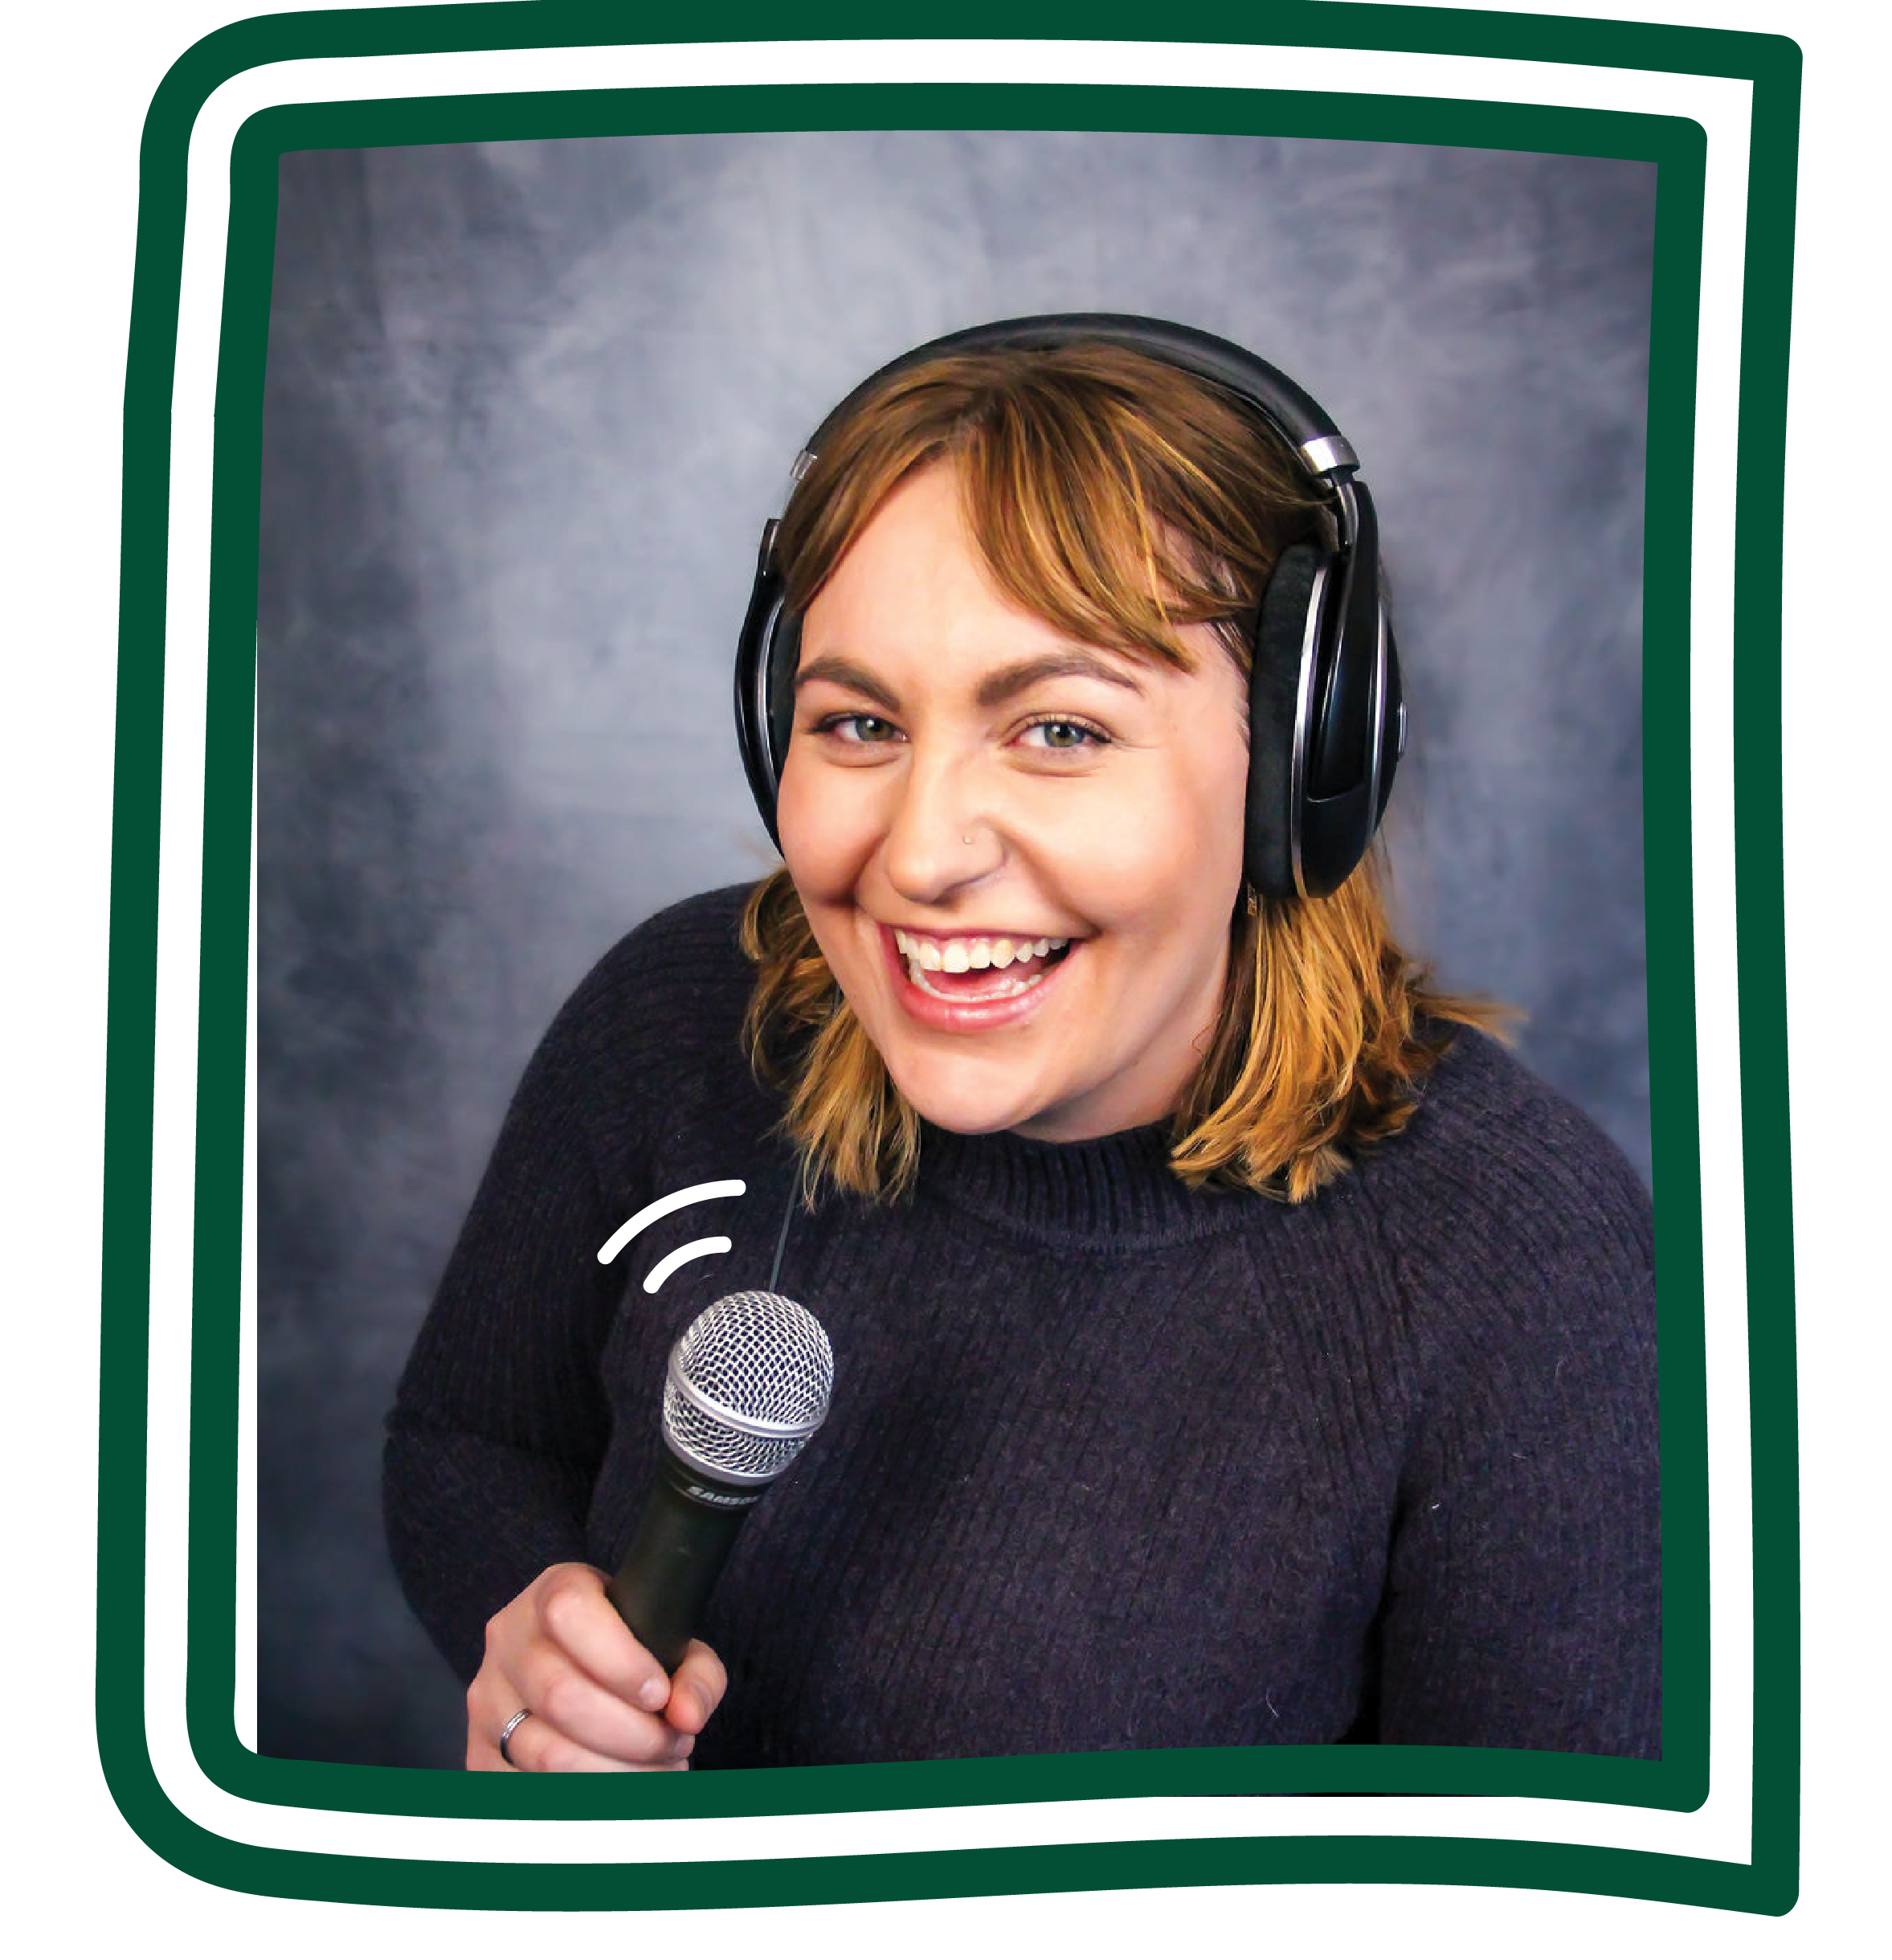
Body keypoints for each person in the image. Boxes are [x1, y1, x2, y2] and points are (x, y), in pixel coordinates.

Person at [383, 317, 1661, 1775]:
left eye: (1058, 730)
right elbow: (468, 1444)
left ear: (1299, 769)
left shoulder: (1520, 1266)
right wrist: (538, 1638)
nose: (920, 855)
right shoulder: (673, 1021)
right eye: (858, 721)